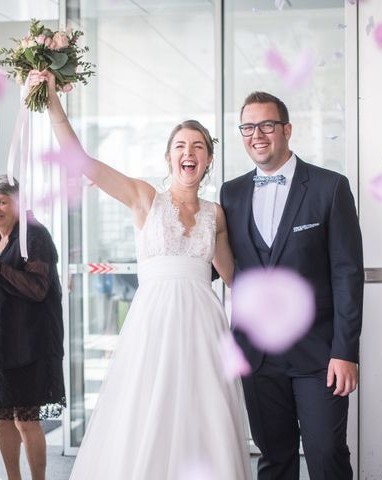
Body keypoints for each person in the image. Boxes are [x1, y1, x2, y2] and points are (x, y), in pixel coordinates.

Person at [32, 70, 251, 479]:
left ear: (207, 161)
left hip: (205, 326)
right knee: (147, 408)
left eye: (199, 146)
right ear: (169, 157)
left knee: (203, 414)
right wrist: (52, 103)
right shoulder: (144, 197)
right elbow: (82, 163)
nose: (190, 152)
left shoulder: (215, 215)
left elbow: (235, 276)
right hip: (154, 323)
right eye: (181, 146)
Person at [220, 91, 363, 480]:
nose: (257, 135)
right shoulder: (230, 194)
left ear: (287, 129)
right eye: (248, 127)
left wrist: (346, 352)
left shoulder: (329, 187)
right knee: (274, 458)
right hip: (258, 355)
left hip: (320, 356)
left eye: (267, 125)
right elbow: (222, 262)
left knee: (326, 454)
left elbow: (347, 274)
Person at [0, 175, 66, 480]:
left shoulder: (34, 235)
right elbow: (2, 283)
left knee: (26, 420)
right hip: (2, 343)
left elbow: (38, 288)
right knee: (2, 420)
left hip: (30, 345)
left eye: (1, 202)